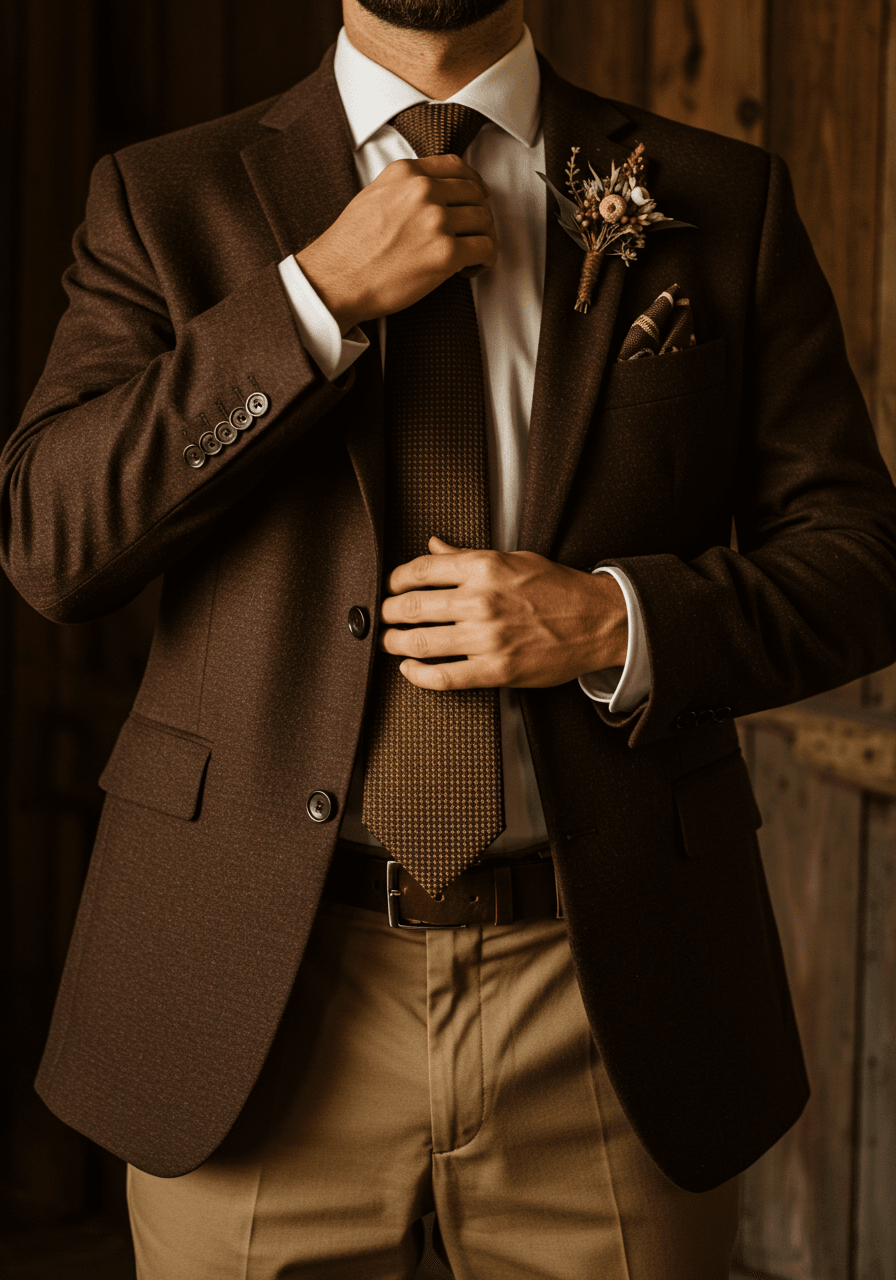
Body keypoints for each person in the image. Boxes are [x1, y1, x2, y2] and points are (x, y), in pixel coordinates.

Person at [3, 0, 896, 1275]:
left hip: (602, 990)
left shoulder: (719, 196)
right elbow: (51, 540)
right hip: (255, 984)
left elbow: (861, 560)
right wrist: (309, 302)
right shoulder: (165, 197)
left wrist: (610, 618)